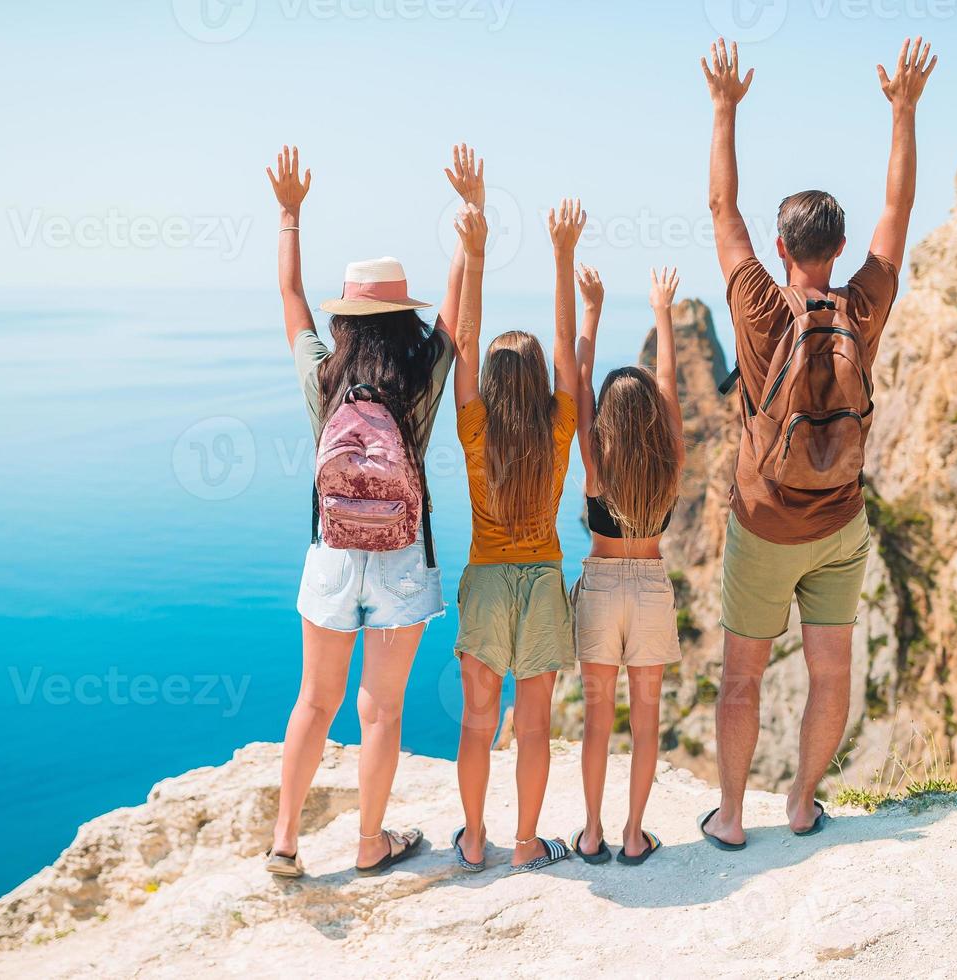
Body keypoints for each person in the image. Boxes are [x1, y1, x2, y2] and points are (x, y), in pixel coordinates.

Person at [697, 37, 937, 847]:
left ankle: (730, 818)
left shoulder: (761, 308)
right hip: (840, 526)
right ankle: (802, 803)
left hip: (763, 526)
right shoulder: (863, 304)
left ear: (781, 248)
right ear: (836, 251)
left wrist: (725, 108)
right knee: (830, 673)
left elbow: (720, 210)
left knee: (742, 678)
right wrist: (903, 112)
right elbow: (897, 214)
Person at [264, 144, 476, 877]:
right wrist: (468, 228)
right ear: (401, 314)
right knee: (379, 711)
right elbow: (459, 319)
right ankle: (368, 844)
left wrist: (290, 215)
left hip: (329, 553)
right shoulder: (421, 374)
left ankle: (286, 843)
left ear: (349, 315)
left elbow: (290, 298)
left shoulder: (324, 379)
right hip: (401, 559)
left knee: (313, 703)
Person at [450, 196, 585, 874]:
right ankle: (527, 844)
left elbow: (464, 344)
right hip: (542, 581)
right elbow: (565, 349)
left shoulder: (474, 430)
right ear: (535, 384)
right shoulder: (559, 427)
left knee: (478, 723)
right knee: (534, 728)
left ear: (492, 386)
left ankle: (474, 839)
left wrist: (476, 253)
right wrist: (562, 255)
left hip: (486, 581)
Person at [568, 265, 686, 866]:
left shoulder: (595, 463)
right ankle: (635, 835)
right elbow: (667, 384)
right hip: (649, 589)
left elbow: (581, 382)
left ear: (607, 426)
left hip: (601, 586)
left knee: (596, 722)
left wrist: (592, 310)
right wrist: (661, 312)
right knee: (646, 723)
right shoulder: (670, 462)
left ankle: (591, 834)